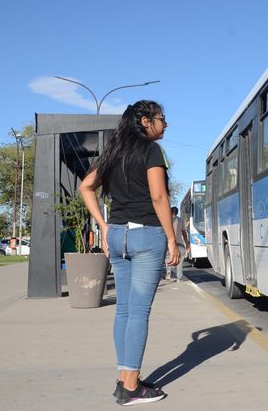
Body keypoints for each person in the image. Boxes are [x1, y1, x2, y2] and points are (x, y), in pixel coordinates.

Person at [79, 100, 180, 406]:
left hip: (118, 235)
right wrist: (172, 239)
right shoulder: (151, 151)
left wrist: (104, 227)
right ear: (146, 121)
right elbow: (159, 196)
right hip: (146, 235)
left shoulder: (113, 151)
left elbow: (86, 187)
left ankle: (124, 380)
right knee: (138, 312)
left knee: (124, 310)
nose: (166, 124)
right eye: (162, 118)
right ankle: (133, 387)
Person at [165, 207, 190, 282]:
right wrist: (187, 245)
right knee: (180, 260)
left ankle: (168, 274)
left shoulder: (166, 220)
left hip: (169, 243)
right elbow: (184, 233)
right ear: (177, 212)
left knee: (168, 258)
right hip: (179, 243)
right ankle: (179, 277)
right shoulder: (181, 220)